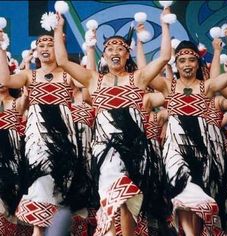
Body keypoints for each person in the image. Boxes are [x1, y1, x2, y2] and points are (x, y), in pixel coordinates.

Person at [53, 6, 171, 235]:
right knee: (117, 190)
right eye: (109, 47)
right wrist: (59, 29)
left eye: (121, 48)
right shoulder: (92, 79)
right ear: (104, 55)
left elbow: (165, 56)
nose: (115, 50)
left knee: (129, 201)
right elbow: (63, 61)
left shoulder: (138, 78)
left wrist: (165, 23)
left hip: (135, 148)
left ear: (128, 55)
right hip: (105, 149)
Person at [0, 31, 90, 236]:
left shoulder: (68, 75)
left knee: (60, 185)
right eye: (41, 44)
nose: (45, 47)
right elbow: (5, 79)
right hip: (37, 138)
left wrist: (87, 47)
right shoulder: (29, 75)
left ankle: (52, 228)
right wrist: (2, 47)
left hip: (64, 138)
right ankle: (38, 230)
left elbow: (89, 83)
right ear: (36, 51)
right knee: (39, 180)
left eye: (50, 44)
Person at [148, 25, 227, 235]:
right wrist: (165, 26)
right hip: (175, 150)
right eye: (182, 60)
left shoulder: (208, 87)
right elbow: (148, 71)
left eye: (192, 60)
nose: (187, 64)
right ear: (176, 64)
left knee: (195, 199)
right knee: (183, 189)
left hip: (202, 150)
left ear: (197, 63)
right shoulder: (169, 87)